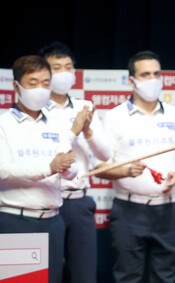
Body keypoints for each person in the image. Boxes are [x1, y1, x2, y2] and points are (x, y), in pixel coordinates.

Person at [94, 50, 175, 283]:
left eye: (156, 74)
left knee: (166, 276)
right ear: (131, 80)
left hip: (168, 210)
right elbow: (100, 167)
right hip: (129, 210)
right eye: (145, 74)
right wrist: (125, 171)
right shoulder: (114, 117)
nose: (153, 80)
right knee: (128, 276)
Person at [0, 55, 78, 283]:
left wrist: (67, 169)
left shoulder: (57, 124)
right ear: (17, 86)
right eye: (33, 83)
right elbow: (3, 170)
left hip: (53, 220)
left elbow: (71, 170)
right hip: (18, 219)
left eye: (46, 83)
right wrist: (49, 167)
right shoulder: (3, 124)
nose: (41, 89)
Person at [39, 42, 112, 283]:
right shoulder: (35, 110)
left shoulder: (84, 106)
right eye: (56, 67)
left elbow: (104, 154)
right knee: (46, 275)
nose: (64, 73)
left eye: (68, 67)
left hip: (78, 202)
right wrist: (73, 129)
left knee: (84, 275)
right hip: (44, 202)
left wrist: (88, 130)